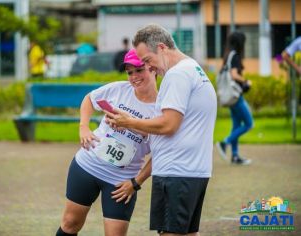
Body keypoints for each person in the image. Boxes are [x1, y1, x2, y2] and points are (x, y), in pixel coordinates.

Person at [105, 24, 217, 236]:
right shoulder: (192, 68)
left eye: (148, 61)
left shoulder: (177, 75)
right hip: (192, 171)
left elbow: (168, 125)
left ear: (162, 48)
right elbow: (178, 127)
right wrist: (130, 120)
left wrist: (129, 123)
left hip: (176, 172)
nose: (150, 68)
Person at [55, 48, 157, 236]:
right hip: (87, 165)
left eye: (139, 70)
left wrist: (136, 182)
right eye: (129, 72)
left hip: (121, 183)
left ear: (153, 68)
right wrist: (83, 127)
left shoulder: (162, 108)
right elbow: (89, 99)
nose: (134, 76)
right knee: (70, 224)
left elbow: (162, 153)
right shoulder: (118, 89)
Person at [216, 32, 253, 165]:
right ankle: (224, 143)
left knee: (237, 125)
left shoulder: (228, 56)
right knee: (249, 124)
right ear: (240, 43)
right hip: (236, 97)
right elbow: (234, 74)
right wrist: (246, 81)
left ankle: (235, 156)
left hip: (230, 97)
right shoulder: (235, 56)